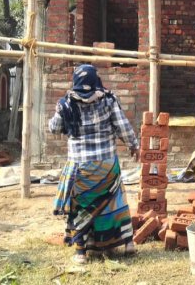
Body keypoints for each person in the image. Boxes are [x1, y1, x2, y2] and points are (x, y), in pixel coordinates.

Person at [49, 64, 139, 264]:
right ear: (95, 80)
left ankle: (81, 253)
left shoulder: (66, 103)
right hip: (106, 165)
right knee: (116, 202)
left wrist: (61, 111)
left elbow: (54, 128)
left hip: (81, 168)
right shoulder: (108, 99)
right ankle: (128, 244)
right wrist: (134, 145)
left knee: (81, 207)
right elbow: (123, 126)